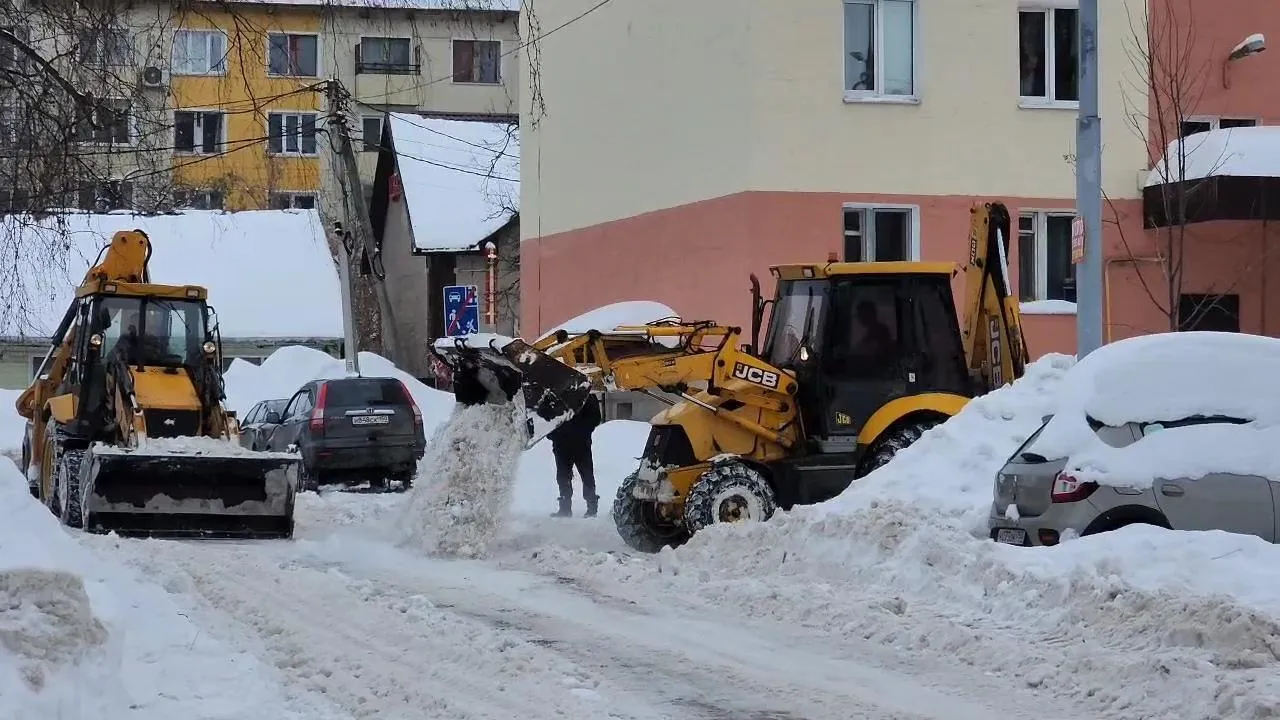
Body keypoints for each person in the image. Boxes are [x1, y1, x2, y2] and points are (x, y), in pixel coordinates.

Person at [548, 393, 603, 518]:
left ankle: (592, 508)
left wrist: (583, 431)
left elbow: (595, 418)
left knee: (587, 475)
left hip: (581, 444)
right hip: (561, 444)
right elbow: (547, 420)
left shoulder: (587, 396)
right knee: (562, 477)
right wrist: (553, 435)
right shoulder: (555, 395)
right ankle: (565, 509)